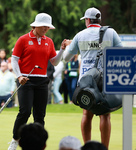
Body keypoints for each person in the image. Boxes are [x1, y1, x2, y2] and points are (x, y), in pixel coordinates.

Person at [63, 7, 122, 149]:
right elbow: (120, 52)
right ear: (99, 19)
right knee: (105, 115)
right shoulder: (111, 32)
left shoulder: (80, 35)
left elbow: (66, 58)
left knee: (86, 114)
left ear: (88, 20)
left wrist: (71, 45)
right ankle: (104, 148)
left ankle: (87, 146)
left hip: (86, 80)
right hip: (106, 79)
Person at [8, 12, 66, 150]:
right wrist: (19, 76)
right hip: (25, 80)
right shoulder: (23, 39)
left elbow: (54, 62)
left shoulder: (49, 41)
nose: (46, 29)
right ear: (36, 26)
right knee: (25, 112)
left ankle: (38, 144)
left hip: (42, 80)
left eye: (47, 27)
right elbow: (14, 59)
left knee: (40, 115)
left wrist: (62, 50)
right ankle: (15, 140)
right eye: (43, 27)